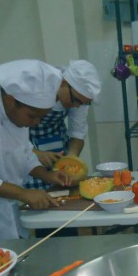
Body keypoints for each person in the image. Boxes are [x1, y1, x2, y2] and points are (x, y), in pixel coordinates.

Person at [0, 59, 73, 241]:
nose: (35, 123)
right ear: (12, 100)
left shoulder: (15, 112)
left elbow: (24, 151)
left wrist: (46, 175)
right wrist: (23, 194)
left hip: (2, 207)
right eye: (33, 117)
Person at [25, 60, 102, 190]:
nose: (77, 106)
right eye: (76, 101)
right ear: (64, 83)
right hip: (26, 145)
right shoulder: (36, 90)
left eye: (83, 103)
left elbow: (77, 132)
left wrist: (72, 156)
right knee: (35, 193)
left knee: (61, 190)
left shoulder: (79, 95)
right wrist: (36, 153)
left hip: (58, 142)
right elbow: (11, 136)